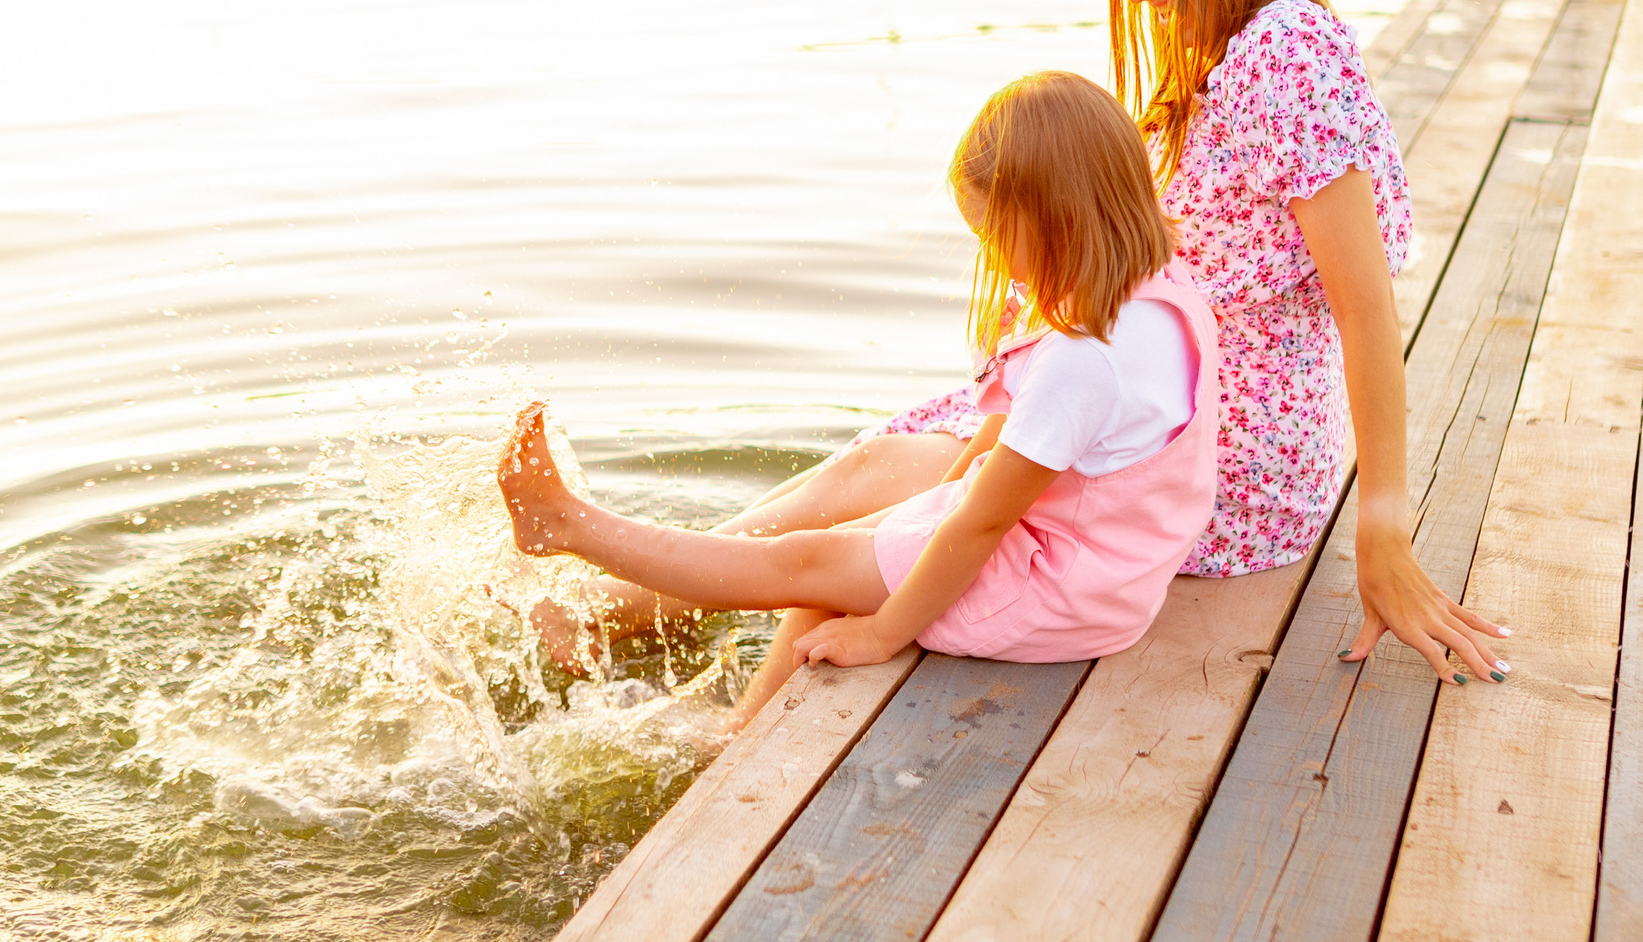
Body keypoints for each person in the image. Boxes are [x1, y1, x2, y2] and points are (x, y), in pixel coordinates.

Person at [527, 0, 1509, 713]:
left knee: (891, 500)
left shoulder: (1284, 53)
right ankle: (636, 605)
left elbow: (1363, 308)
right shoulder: (1226, 43)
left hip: (1221, 460)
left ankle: (627, 606)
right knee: (884, 462)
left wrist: (1380, 528)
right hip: (1169, 400)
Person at [501, 70, 1226, 709]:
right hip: (1105, 575)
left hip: (1055, 595)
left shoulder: (1084, 355)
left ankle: (568, 527)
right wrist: (918, 514)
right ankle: (740, 724)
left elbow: (982, 524)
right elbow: (998, 447)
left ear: (1053, 215)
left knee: (800, 564)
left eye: (992, 234)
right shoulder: (1160, 293)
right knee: (838, 550)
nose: (993, 258)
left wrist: (885, 630)